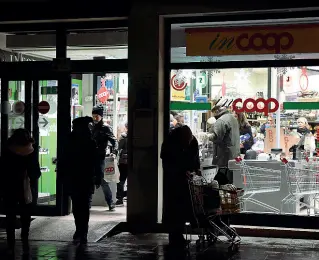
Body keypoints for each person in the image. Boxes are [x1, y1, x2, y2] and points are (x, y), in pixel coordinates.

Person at [58, 117, 99, 245]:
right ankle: (82, 230)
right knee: (82, 205)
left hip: (77, 177)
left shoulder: (73, 141)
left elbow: (64, 159)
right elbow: (95, 161)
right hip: (83, 177)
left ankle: (81, 230)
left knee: (78, 204)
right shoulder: (88, 141)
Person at [0, 129, 41, 256]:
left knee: (10, 214)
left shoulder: (8, 149)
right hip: (26, 187)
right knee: (25, 214)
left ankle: (11, 243)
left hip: (9, 186)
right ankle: (25, 240)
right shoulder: (31, 151)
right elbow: (36, 173)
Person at [161, 125, 200, 248]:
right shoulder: (170, 142)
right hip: (173, 180)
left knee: (181, 208)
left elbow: (194, 158)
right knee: (174, 208)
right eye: (185, 142)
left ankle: (178, 235)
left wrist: (194, 169)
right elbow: (167, 162)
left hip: (183, 180)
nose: (187, 143)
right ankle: (175, 235)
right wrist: (182, 171)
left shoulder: (192, 141)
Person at [91, 105, 118, 211]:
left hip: (100, 157)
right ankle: (88, 202)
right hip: (90, 157)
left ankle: (110, 202)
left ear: (101, 116)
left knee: (102, 179)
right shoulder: (90, 127)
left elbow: (114, 140)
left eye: (96, 116)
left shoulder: (105, 128)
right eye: (93, 116)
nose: (95, 118)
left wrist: (114, 152)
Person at [115, 122, 128, 206]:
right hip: (134, 162)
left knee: (121, 181)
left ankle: (120, 198)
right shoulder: (139, 136)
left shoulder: (124, 137)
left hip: (124, 162)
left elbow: (118, 148)